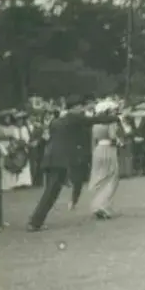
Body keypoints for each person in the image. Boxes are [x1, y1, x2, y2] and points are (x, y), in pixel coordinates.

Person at [27, 98, 118, 232]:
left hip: (51, 158)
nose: (82, 110)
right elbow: (94, 120)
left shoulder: (58, 120)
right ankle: (34, 222)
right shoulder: (73, 117)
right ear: (75, 107)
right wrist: (114, 118)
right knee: (50, 192)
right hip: (60, 159)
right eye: (80, 107)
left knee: (51, 192)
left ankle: (36, 221)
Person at [87, 100, 124, 220]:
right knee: (112, 176)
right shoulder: (111, 122)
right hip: (109, 149)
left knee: (100, 177)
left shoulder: (95, 123)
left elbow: (93, 139)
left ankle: (98, 205)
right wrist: (119, 141)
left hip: (98, 149)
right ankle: (102, 205)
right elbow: (112, 136)